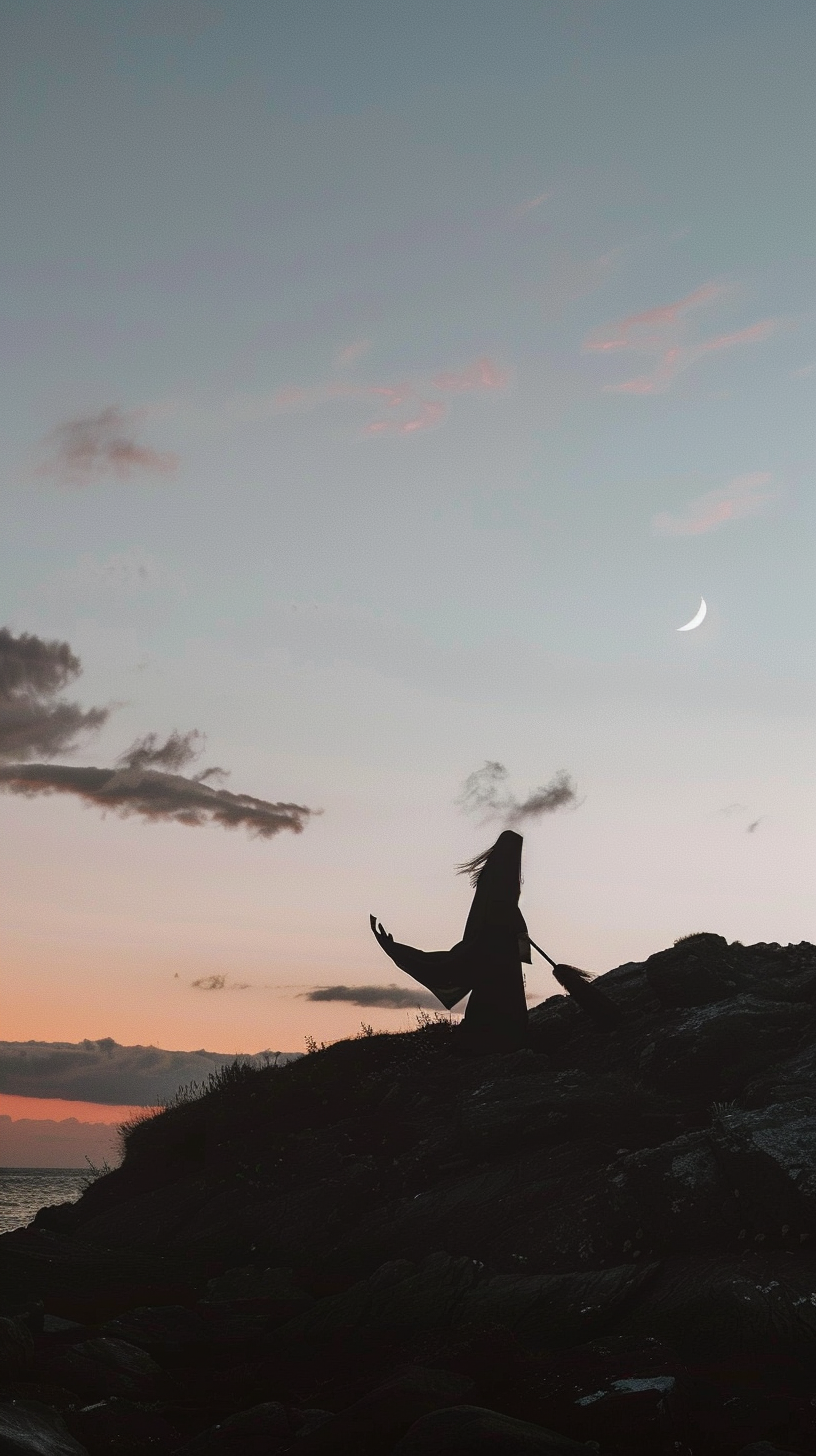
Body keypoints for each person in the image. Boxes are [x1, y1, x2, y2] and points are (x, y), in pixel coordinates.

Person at [370, 829, 530, 1052]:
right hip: (497, 948)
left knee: (494, 990)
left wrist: (518, 931)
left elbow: (503, 909)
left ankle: (494, 1036)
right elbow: (503, 909)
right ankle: (500, 1038)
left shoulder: (495, 875)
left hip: (499, 946)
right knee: (499, 990)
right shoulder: (502, 877)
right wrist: (519, 930)